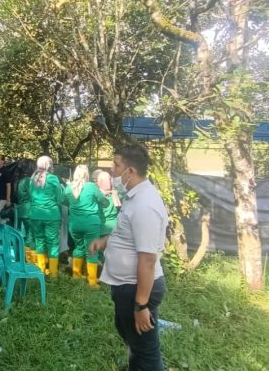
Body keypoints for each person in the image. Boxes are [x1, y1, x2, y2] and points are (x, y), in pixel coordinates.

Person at [90, 145, 168, 371]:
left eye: (116, 165)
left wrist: (141, 305)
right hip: (126, 285)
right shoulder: (134, 197)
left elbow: (148, 259)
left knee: (146, 350)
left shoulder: (146, 205)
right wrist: (104, 241)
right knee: (130, 336)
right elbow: (126, 232)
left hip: (137, 289)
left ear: (130, 171)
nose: (112, 170)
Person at [64, 165, 107, 286]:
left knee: (78, 248)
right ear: (86, 174)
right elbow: (103, 201)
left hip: (74, 224)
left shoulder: (68, 188)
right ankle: (92, 282)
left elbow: (63, 200)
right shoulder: (91, 186)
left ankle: (76, 276)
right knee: (91, 250)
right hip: (91, 224)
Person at [29, 155, 64, 278]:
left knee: (39, 241)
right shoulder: (53, 178)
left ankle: (41, 271)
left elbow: (30, 196)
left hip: (35, 215)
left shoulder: (32, 179)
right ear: (50, 165)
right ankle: (53, 274)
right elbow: (60, 198)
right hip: (51, 215)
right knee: (53, 243)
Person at [15, 159, 36, 263]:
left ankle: (26, 260)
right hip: (29, 211)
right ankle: (31, 262)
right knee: (31, 236)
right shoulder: (28, 181)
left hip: (22, 211)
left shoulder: (19, 180)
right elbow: (34, 195)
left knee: (28, 235)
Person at [96, 170, 121, 239]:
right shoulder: (116, 194)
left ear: (99, 182)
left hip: (102, 228)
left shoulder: (96, 196)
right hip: (116, 228)